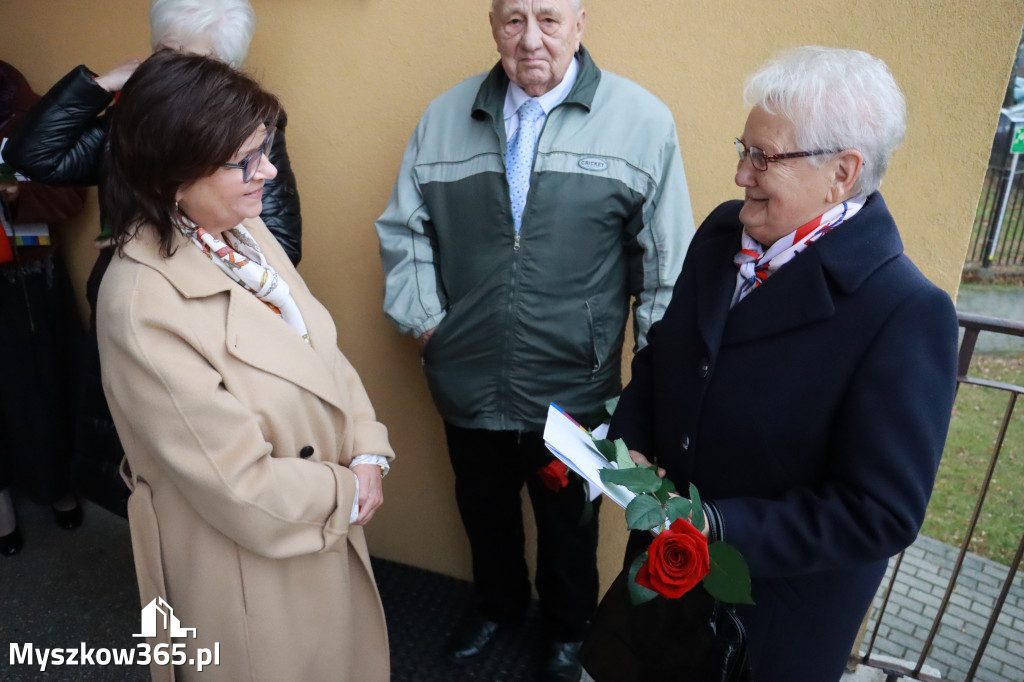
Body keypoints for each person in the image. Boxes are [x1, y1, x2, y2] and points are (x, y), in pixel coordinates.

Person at [607, 46, 959, 681]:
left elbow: (880, 513)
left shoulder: (906, 312)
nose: (741, 174)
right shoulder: (724, 232)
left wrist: (716, 524)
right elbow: (668, 353)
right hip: (663, 582)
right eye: (743, 149)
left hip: (766, 627)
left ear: (842, 172)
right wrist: (629, 438)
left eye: (763, 157)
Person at [375, 1, 694, 679]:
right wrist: (427, 324)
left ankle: (568, 631)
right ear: (493, 23)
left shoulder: (641, 122)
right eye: (513, 19)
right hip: (467, 374)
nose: (530, 39)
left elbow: (667, 264)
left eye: (548, 18)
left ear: (580, 22)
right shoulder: (444, 117)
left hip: (575, 384)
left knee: (569, 523)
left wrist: (654, 382)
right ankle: (498, 606)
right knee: (482, 507)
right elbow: (405, 230)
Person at [96, 50, 392, 681]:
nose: (270, 171)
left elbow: (321, 349)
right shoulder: (141, 305)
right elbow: (239, 488)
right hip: (244, 571)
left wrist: (368, 449)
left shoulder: (239, 233)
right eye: (246, 160)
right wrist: (348, 489)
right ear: (172, 174)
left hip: (312, 522)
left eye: (265, 148)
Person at [3, 0, 302, 517]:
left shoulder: (253, 129)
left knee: (204, 466)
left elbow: (278, 246)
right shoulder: (132, 119)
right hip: (128, 308)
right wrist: (103, 83)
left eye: (193, 58)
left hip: (208, 319)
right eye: (165, 52)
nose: (171, 69)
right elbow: (33, 155)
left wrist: (151, 243)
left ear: (223, 67)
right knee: (137, 464)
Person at [0, 59, 88, 556]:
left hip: (29, 273)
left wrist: (18, 193)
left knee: (43, 382)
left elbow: (72, 196)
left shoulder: (27, 110)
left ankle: (57, 484)